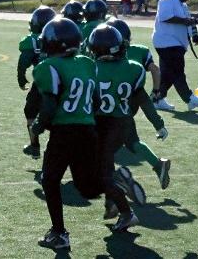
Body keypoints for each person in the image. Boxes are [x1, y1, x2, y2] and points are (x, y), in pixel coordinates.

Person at [30, 18, 134, 250]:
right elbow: (96, 101)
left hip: (64, 132)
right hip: (88, 130)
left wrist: (38, 125)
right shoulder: (87, 63)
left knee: (50, 180)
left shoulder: (47, 67)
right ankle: (123, 203)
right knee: (87, 185)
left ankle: (59, 233)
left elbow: (49, 104)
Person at [88, 25, 148, 231]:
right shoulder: (132, 68)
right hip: (121, 124)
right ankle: (114, 199)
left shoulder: (92, 69)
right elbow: (138, 101)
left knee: (100, 175)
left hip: (102, 126)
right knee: (102, 166)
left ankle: (125, 209)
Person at [107, 18, 171, 189]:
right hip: (129, 106)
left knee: (101, 147)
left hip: (106, 111)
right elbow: (155, 71)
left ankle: (116, 180)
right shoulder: (139, 55)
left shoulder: (100, 63)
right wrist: (156, 91)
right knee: (132, 141)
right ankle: (158, 164)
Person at [152, 0, 198, 111]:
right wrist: (186, 21)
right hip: (167, 42)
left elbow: (187, 21)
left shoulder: (182, 5)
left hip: (175, 43)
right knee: (177, 71)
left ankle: (157, 99)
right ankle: (189, 99)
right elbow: (165, 17)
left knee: (167, 74)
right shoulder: (167, 0)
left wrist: (194, 34)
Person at [17, 6, 56, 159]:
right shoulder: (63, 34)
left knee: (31, 111)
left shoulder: (32, 40)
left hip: (42, 82)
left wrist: (21, 77)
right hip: (65, 80)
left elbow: (23, 62)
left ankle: (35, 145)